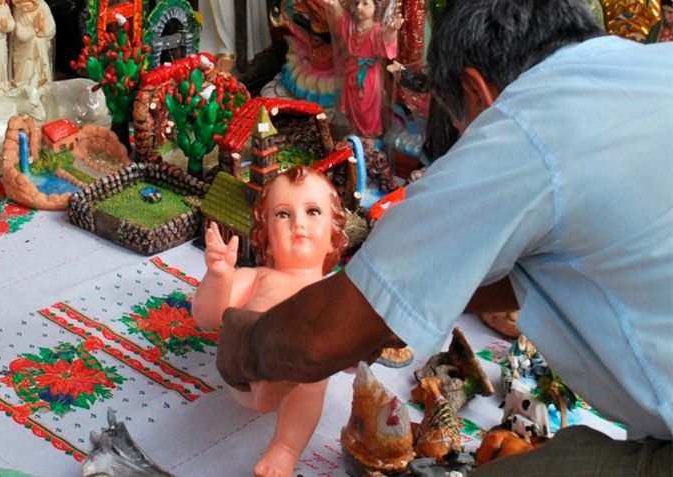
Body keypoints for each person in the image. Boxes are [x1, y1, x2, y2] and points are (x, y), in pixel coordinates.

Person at [215, 0, 673, 475]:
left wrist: (245, 347)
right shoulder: (653, 64)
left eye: (460, 125)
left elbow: (318, 337)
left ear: (476, 91)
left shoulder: (522, 128)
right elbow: (579, 246)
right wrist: (396, 306)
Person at [193, 166, 348, 477]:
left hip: (297, 372)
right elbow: (206, 317)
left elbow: (349, 350)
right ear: (265, 237)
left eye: (313, 211)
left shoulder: (335, 292)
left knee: (313, 367)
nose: (298, 223)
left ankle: (285, 450)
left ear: (334, 237)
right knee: (273, 338)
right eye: (282, 215)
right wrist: (219, 276)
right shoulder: (258, 277)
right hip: (244, 369)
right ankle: (268, 379)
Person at [324, 0, 403, 138]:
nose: (359, 7)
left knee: (367, 109)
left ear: (375, 8)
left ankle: (370, 136)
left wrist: (392, 30)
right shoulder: (350, 26)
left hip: (369, 77)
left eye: (365, 4)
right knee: (352, 107)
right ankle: (358, 135)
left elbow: (386, 44)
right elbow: (340, 18)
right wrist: (334, 4)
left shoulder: (376, 30)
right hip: (351, 73)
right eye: (357, 3)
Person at [10, 0, 55, 87]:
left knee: (39, 70)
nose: (24, 9)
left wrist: (42, 30)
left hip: (40, 48)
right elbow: (20, 34)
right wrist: (35, 29)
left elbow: (51, 28)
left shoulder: (43, 6)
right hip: (24, 50)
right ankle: (23, 87)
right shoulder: (18, 10)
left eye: (26, 6)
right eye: (22, 7)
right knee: (25, 70)